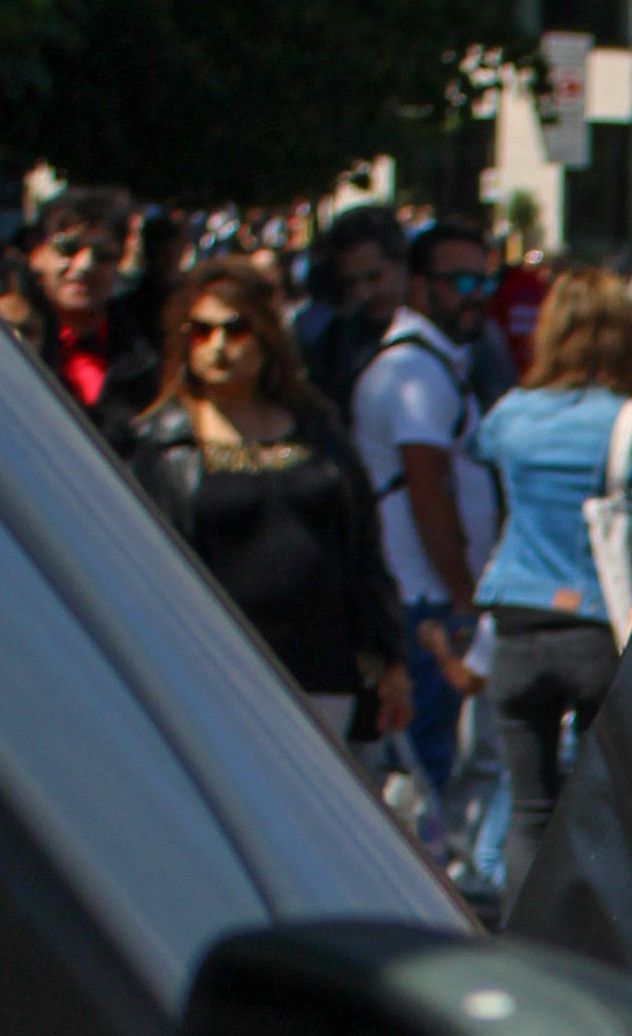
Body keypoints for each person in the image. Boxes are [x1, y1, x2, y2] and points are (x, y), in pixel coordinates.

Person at [122, 258, 407, 744]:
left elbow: (363, 548)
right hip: (212, 675)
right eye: (201, 331)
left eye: (236, 330)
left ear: (267, 337)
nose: (217, 346)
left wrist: (391, 659)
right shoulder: (161, 441)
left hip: (322, 670)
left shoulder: (317, 426)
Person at [470, 266, 632, 892]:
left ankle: (520, 939)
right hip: (598, 624)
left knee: (528, 808)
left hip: (517, 616)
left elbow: (485, 480)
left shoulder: (510, 414)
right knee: (605, 807)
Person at [352, 219, 507, 801]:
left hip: (427, 597)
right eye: (460, 281)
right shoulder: (414, 372)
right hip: (423, 600)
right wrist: (465, 596)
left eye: (484, 282)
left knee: (433, 771)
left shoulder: (435, 364)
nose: (475, 295)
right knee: (420, 776)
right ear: (420, 286)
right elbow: (428, 494)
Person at [26, 187, 158, 438]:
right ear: (36, 254)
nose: (85, 265)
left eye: (103, 254)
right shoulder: (10, 338)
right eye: (67, 248)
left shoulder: (146, 357)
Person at [300, 204, 409, 414]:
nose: (363, 293)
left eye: (374, 277)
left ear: (403, 264)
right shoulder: (333, 346)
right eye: (351, 282)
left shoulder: (451, 327)